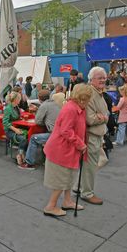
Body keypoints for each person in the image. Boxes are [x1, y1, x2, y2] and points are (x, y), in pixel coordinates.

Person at [43, 84, 92, 217]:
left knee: (69, 177)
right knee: (61, 179)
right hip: (61, 150)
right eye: (87, 99)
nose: (88, 102)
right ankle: (51, 206)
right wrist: (80, 144)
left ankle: (67, 201)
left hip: (68, 149)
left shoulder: (78, 107)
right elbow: (66, 131)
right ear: (82, 99)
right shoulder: (71, 109)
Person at [79, 66, 108, 205]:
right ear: (91, 80)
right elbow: (90, 119)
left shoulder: (98, 92)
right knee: (90, 166)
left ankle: (79, 188)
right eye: (99, 78)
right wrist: (104, 118)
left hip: (96, 136)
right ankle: (87, 193)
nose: (103, 80)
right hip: (91, 136)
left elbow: (102, 113)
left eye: (104, 77)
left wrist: (102, 116)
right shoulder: (91, 93)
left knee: (90, 165)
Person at [18, 90, 60, 170]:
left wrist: (38, 112)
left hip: (54, 134)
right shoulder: (55, 104)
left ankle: (29, 163)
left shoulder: (44, 106)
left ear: (39, 98)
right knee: (40, 134)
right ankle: (44, 160)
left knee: (33, 138)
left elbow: (37, 121)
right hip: (59, 132)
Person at [3, 91, 28, 165]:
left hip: (17, 127)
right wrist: (15, 130)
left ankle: (21, 153)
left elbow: (17, 118)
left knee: (28, 135)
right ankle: (19, 155)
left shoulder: (16, 107)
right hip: (9, 131)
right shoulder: (8, 108)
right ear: (16, 99)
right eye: (19, 98)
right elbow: (5, 122)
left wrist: (21, 119)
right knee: (23, 138)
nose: (20, 100)